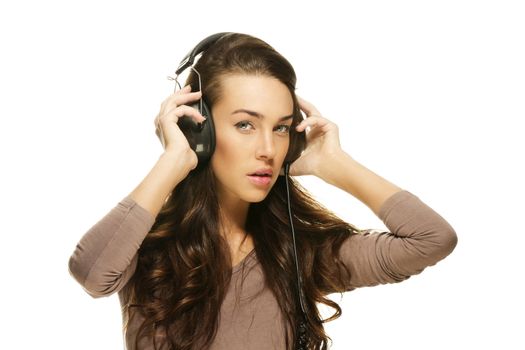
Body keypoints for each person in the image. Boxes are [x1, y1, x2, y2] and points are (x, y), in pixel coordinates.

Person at [68, 32, 458, 350]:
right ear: (199, 129)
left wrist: (333, 163)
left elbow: (430, 239)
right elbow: (92, 273)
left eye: (282, 128)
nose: (269, 150)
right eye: (245, 125)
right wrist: (174, 160)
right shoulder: (148, 246)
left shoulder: (298, 250)